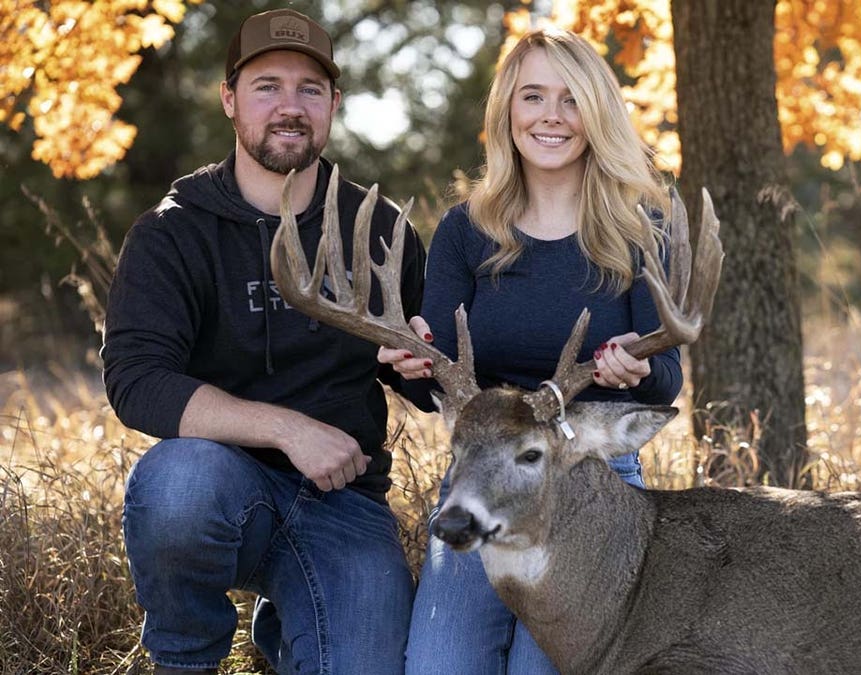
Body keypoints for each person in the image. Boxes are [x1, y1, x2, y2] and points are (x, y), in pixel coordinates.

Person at [101, 8, 426, 674]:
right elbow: (136, 380)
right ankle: (187, 658)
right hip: (221, 489)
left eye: (310, 89)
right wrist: (287, 429)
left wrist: (423, 363)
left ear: (334, 103)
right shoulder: (174, 232)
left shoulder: (378, 226)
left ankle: (287, 626)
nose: (290, 106)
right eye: (266, 86)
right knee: (175, 484)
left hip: (345, 504)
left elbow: (421, 384)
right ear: (229, 99)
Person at [380, 27, 681, 674]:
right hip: (481, 478)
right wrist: (409, 366)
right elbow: (433, 375)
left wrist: (639, 370)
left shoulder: (641, 227)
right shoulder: (466, 229)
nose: (551, 116)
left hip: (591, 483)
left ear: (597, 112)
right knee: (438, 668)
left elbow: (666, 381)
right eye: (533, 96)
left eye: (571, 100)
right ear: (506, 112)